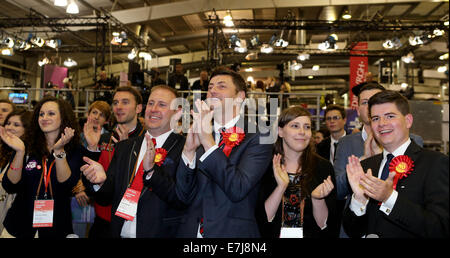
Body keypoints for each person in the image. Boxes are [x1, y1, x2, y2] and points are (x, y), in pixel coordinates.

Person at [175, 68, 273, 238]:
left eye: (221, 86)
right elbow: (183, 195)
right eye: (210, 86)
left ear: (240, 96)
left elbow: (238, 188)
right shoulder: (198, 132)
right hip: (191, 231)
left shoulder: (259, 136)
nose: (212, 90)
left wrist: (208, 142)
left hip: (233, 234)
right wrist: (188, 152)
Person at [81, 85, 186, 238]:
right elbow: (106, 197)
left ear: (177, 112)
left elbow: (182, 198)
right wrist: (100, 182)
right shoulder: (125, 147)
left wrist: (151, 173)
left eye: (162, 104)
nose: (153, 109)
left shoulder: (185, 148)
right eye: (151, 103)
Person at [343, 90, 448, 238]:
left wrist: (389, 198)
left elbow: (440, 228)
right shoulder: (366, 167)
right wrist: (359, 200)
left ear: (408, 120)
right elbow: (353, 231)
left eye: (390, 116)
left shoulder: (435, 163)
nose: (382, 124)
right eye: (375, 118)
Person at [1, 96, 83, 238]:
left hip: (56, 228)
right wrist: (20, 153)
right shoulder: (26, 145)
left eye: (51, 113)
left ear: (63, 118)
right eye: (41, 114)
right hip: (17, 227)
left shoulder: (74, 149)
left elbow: (66, 185)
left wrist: (58, 151)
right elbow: (10, 186)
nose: (44, 117)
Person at [257, 106, 338, 238]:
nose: (302, 132)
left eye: (307, 127)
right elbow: (262, 219)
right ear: (280, 131)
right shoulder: (266, 165)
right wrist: (281, 187)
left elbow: (325, 225)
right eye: (295, 126)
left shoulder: (323, 167)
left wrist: (317, 200)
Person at [82, 86, 145, 238]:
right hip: (102, 220)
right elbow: (89, 184)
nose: (119, 107)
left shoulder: (147, 140)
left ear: (138, 108)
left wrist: (126, 150)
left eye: (125, 102)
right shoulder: (104, 139)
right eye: (116, 103)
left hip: (131, 223)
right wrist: (91, 148)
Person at [72, 100, 112, 237]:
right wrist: (77, 187)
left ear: (106, 121)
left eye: (101, 115)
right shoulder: (76, 137)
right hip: (78, 195)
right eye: (94, 112)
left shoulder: (110, 140)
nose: (96, 117)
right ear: (88, 114)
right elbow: (71, 166)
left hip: (101, 197)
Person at [0, 109, 32, 235]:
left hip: (15, 212)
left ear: (27, 129)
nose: (10, 127)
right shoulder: (4, 149)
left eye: (16, 125)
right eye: (8, 123)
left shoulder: (29, 153)